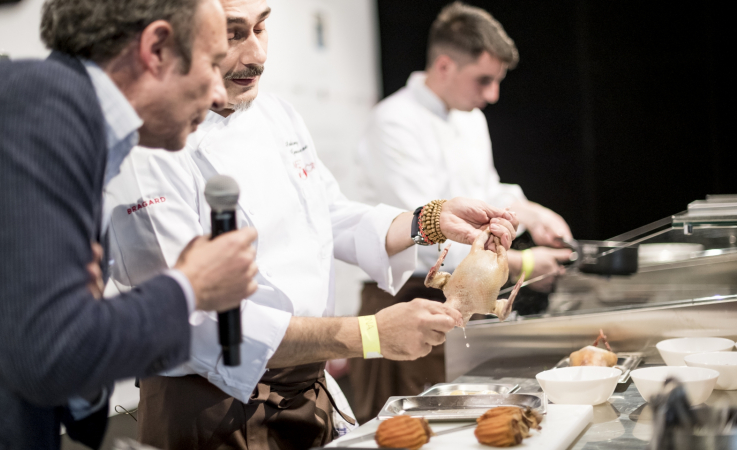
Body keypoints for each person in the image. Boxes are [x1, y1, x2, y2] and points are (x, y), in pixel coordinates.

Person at [102, 0, 519, 448]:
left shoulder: (276, 115)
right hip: (211, 408)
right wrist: (368, 334)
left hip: (304, 383)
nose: (256, 55)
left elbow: (328, 215)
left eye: (261, 28)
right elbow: (202, 322)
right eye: (233, 34)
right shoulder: (142, 151)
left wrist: (428, 220)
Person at [0, 0, 261, 448]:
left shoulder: (67, 118)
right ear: (155, 49)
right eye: (212, 64)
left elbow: (60, 376)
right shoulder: (43, 107)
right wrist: (191, 286)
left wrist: (88, 320)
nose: (217, 94)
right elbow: (48, 358)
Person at [351, 2, 575, 422]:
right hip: (406, 297)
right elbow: (430, 231)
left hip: (465, 297)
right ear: (444, 65)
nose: (492, 95)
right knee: (410, 432)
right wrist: (523, 261)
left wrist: (534, 213)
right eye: (484, 80)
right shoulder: (394, 121)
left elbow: (487, 193)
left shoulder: (470, 118)